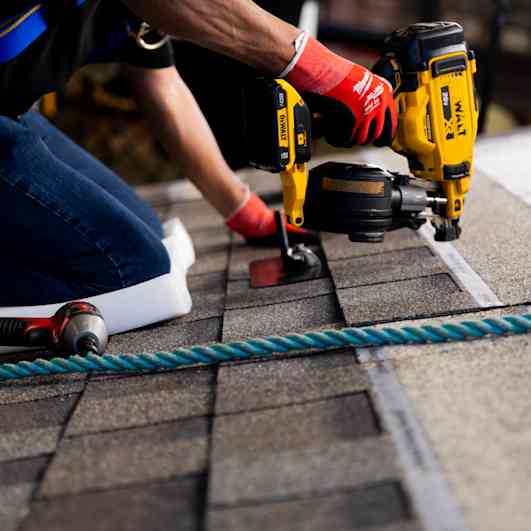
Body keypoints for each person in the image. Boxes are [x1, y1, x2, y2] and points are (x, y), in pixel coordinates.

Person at [0, 0, 396, 332]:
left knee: (153, 243)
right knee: (131, 274)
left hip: (11, 114)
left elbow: (163, 87)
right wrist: (322, 69)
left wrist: (243, 209)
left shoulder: (134, 18)